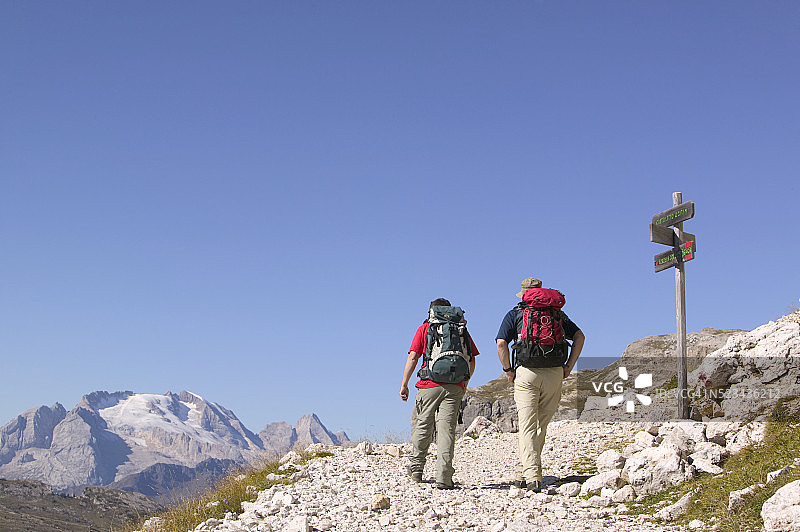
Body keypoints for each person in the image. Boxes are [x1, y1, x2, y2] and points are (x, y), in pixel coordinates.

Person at [496, 277, 585, 492]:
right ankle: (522, 471)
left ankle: (533, 476)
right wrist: (569, 366)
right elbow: (580, 336)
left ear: (524, 293)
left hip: (526, 373)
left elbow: (501, 343)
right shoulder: (557, 314)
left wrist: (508, 371)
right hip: (555, 372)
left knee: (527, 425)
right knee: (540, 426)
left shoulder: (516, 313)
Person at [400, 298, 479, 489]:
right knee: (447, 431)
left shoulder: (425, 328)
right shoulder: (460, 329)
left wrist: (404, 384)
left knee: (423, 425)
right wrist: (464, 384)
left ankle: (417, 469)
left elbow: (413, 357)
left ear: (431, 311)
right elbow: (472, 360)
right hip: (454, 387)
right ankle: (444, 476)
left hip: (428, 385)